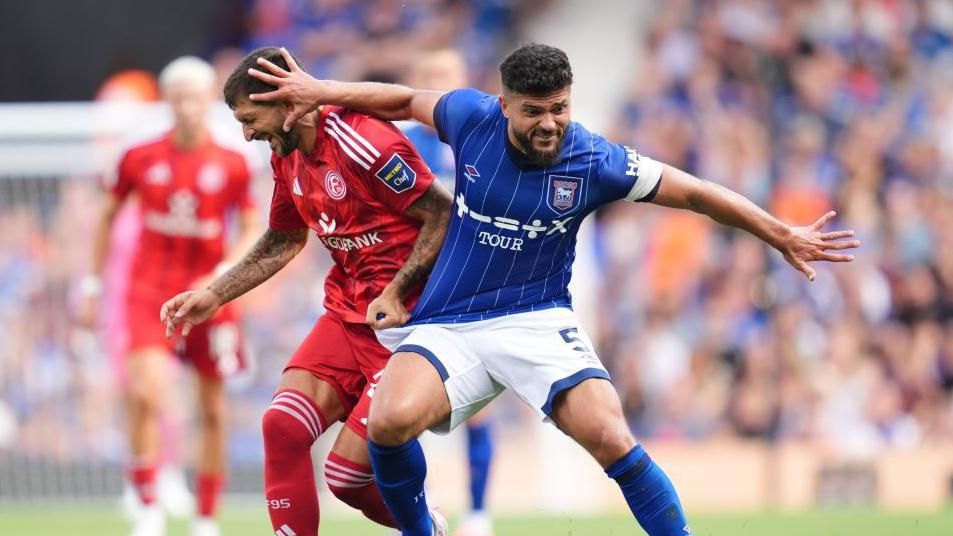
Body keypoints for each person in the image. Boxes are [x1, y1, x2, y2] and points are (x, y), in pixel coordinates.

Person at [246, 43, 862, 536]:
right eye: (534, 110)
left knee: (611, 437)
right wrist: (319, 91)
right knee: (388, 423)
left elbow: (695, 191)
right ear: (506, 104)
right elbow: (405, 99)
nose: (550, 123)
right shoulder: (470, 118)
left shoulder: (596, 160)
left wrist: (777, 231)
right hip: (450, 321)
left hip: (537, 320)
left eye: (559, 108)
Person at [159, 47, 454, 536]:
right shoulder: (288, 156)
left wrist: (398, 292)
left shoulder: (363, 140)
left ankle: (427, 529)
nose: (247, 133)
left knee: (346, 478)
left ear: (288, 102)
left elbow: (440, 214)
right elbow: (284, 237)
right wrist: (215, 293)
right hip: (346, 312)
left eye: (251, 118)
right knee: (282, 426)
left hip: (410, 323)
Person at [80, 56, 260, 536]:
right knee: (145, 391)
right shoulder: (140, 157)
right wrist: (94, 284)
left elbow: (250, 226)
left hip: (209, 295)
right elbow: (106, 216)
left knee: (214, 410)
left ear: (209, 101)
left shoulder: (232, 163)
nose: (186, 107)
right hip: (148, 291)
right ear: (165, 101)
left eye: (195, 97)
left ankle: (205, 517)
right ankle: (148, 504)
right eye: (177, 97)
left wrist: (228, 271)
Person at [404, 49, 495, 536]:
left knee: (480, 405)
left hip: (473, 285)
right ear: (415, 83)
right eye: (430, 76)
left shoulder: (484, 141)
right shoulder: (400, 143)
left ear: (465, 83)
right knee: (406, 404)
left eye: (448, 77)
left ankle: (478, 514)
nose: (439, 85)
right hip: (418, 287)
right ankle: (425, 506)